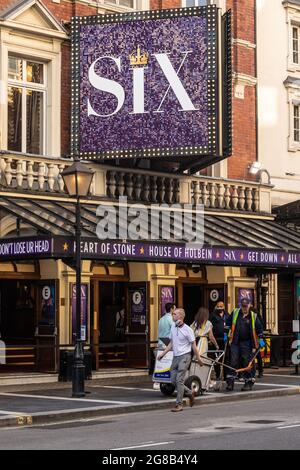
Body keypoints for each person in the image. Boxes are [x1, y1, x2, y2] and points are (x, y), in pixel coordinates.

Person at [157, 308, 203, 412]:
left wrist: (199, 359)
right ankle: (190, 393)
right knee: (173, 380)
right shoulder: (173, 326)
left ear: (180, 317)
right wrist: (163, 354)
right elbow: (171, 343)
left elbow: (194, 346)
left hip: (185, 356)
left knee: (179, 380)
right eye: (173, 314)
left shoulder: (188, 330)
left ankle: (179, 404)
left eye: (174, 314)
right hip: (175, 356)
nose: (172, 315)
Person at [226, 298, 264, 392]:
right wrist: (225, 334)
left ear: (249, 305)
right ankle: (230, 382)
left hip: (247, 343)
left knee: (247, 362)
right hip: (235, 342)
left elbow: (259, 328)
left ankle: (248, 382)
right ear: (240, 305)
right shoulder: (235, 313)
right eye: (243, 306)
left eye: (246, 306)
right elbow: (228, 324)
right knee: (233, 361)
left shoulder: (253, 316)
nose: (244, 308)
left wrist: (261, 339)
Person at [210, 301, 230, 380]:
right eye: (218, 306)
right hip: (216, 340)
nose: (220, 308)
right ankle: (218, 375)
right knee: (217, 358)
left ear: (224, 307)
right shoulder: (212, 315)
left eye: (221, 306)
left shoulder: (227, 315)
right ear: (216, 307)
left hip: (225, 340)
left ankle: (226, 375)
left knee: (226, 358)